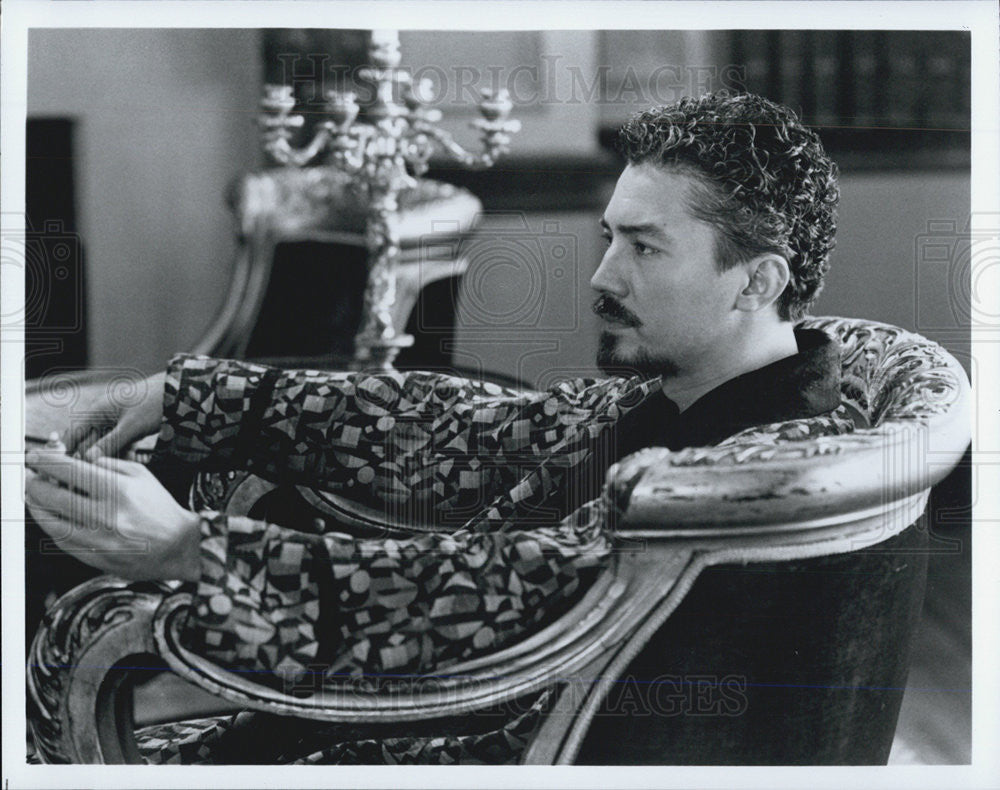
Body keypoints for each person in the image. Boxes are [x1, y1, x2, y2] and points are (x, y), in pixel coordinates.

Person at [25, 92, 849, 764]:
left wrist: (186, 549)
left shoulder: (739, 472)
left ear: (756, 281)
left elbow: (499, 594)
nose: (602, 274)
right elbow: (462, 426)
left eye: (644, 247)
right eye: (609, 238)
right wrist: (192, 395)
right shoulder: (680, 396)